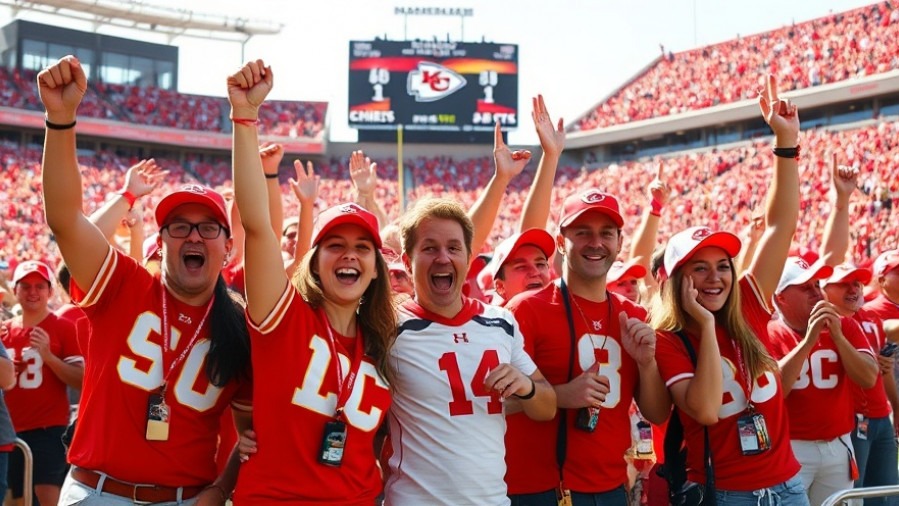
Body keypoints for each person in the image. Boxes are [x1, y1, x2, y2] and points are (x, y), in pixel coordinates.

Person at [39, 54, 251, 505]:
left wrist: (220, 489)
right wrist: (60, 121)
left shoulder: (240, 326)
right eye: (180, 226)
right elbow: (64, 219)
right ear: (162, 241)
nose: (193, 236)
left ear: (227, 247)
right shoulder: (125, 285)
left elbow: (253, 431)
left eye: (207, 227)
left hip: (183, 497)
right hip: (96, 491)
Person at [228, 59, 395, 504]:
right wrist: (245, 119)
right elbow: (257, 224)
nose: (349, 255)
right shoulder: (282, 317)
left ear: (376, 267)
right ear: (314, 260)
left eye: (363, 248)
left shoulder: (385, 343)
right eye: (334, 245)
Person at [651, 75, 806, 505]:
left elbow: (780, 225)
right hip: (724, 493)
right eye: (699, 268)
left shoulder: (751, 308)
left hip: (788, 485)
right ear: (677, 279)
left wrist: (787, 143)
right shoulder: (669, 340)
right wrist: (701, 322)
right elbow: (702, 410)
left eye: (723, 266)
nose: (716, 277)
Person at [385, 197, 556, 505]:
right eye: (429, 248)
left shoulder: (501, 323)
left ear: (468, 256)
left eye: (453, 248)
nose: (442, 258)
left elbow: (546, 406)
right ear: (407, 259)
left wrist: (527, 387)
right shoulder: (387, 330)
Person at [503, 189, 670, 506]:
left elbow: (656, 411)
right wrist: (560, 395)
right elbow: (492, 402)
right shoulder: (525, 310)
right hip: (536, 489)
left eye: (606, 233)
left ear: (619, 242)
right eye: (583, 233)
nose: (596, 243)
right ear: (560, 241)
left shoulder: (633, 315)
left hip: (610, 486)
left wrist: (648, 364)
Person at [2, 260, 83, 506]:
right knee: (15, 499)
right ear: (15, 291)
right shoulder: (4, 332)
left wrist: (48, 357)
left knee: (46, 496)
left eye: (40, 286)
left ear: (50, 291)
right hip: (10, 430)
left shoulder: (64, 327)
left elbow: (81, 379)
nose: (33, 292)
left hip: (48, 429)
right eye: (25, 286)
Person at [822, 264, 899, 505]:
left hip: (880, 417)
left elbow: (881, 371)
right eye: (844, 283)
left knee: (888, 493)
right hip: (851, 422)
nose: (853, 288)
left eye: (857, 283)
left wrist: (895, 407)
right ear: (824, 288)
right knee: (855, 495)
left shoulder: (872, 318)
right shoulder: (822, 326)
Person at [488, 228, 555, 305]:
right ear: (501, 287)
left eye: (540, 264)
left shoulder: (567, 310)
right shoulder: (491, 316)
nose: (535, 272)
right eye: (521, 267)